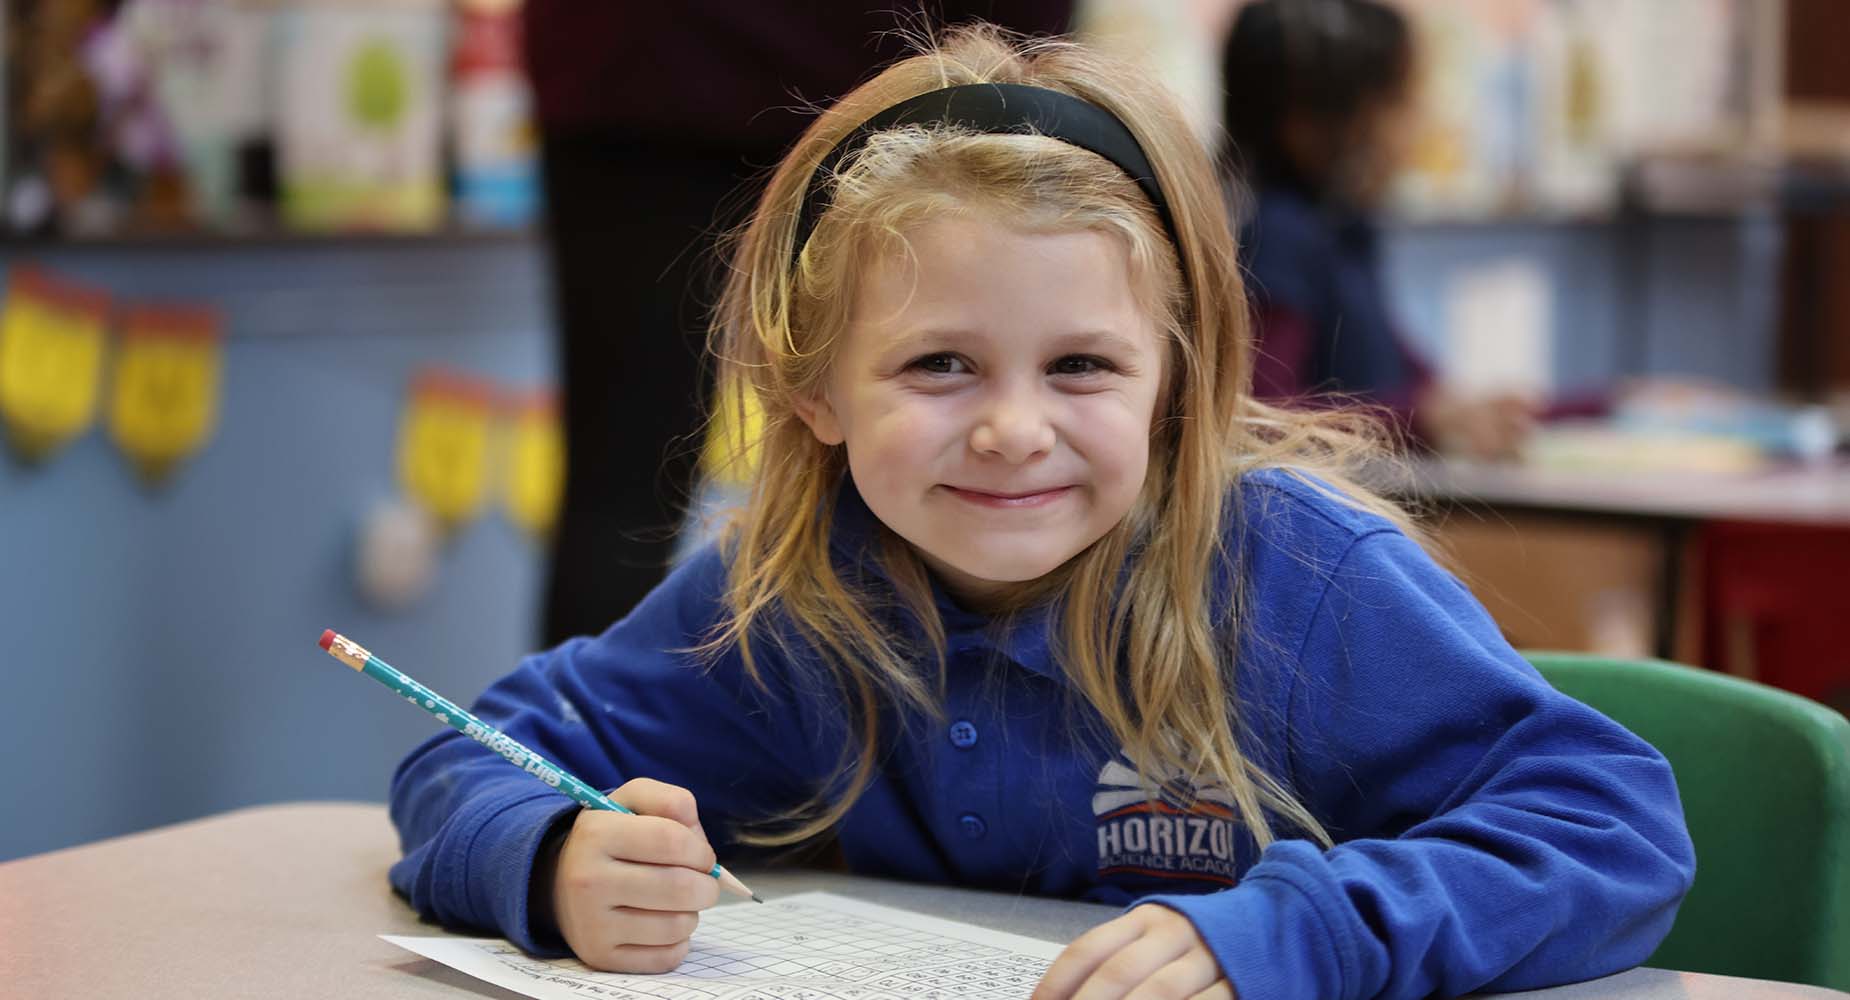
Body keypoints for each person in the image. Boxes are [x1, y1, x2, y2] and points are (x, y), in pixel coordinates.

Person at [390, 24, 1694, 1000]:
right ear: (816, 389)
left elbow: (1608, 824)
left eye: (1079, 367)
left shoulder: (1293, 577)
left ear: (1173, 388)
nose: (1013, 428)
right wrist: (549, 850)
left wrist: (1280, 934)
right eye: (937, 366)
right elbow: (481, 748)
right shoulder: (794, 593)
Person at [522, 2, 1073, 646]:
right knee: (626, 490)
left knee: (621, 486)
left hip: (660, 68)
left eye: (1081, 366)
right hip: (870, 72)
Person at [1220, 0, 1540, 460]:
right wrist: (1422, 420)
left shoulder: (1345, 233)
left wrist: (1603, 402)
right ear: (1308, 123)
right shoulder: (1281, 236)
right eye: (1399, 102)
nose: (1420, 121)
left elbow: (1423, 388)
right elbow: (1263, 418)